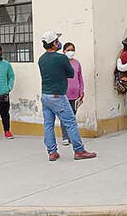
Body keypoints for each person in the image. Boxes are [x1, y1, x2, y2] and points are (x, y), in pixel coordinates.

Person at [38, 30, 97, 161]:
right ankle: (79, 150)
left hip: (45, 95)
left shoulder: (41, 59)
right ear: (53, 44)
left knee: (48, 124)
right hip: (58, 95)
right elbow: (71, 73)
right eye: (56, 41)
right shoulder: (61, 58)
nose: (59, 43)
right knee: (70, 122)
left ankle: (52, 152)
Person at [61, 42, 87, 143]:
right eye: (68, 50)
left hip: (75, 94)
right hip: (64, 93)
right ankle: (65, 137)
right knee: (65, 116)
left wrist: (81, 91)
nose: (71, 52)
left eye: (72, 50)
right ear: (64, 51)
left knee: (72, 116)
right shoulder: (62, 63)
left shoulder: (77, 63)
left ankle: (72, 136)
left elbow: (80, 78)